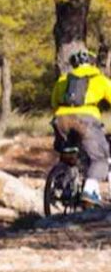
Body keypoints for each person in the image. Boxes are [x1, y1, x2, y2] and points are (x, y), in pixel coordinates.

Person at [51, 49, 111, 205]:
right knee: (100, 158)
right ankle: (89, 191)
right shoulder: (99, 78)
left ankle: (64, 185)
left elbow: (54, 103)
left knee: (70, 154)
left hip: (61, 120)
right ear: (92, 62)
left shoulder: (63, 79)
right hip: (85, 121)